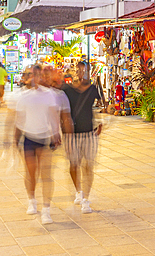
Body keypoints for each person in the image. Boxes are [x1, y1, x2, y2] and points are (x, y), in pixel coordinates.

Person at [13, 64, 71, 225]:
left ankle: (46, 209)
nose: (35, 79)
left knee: (46, 174)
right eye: (32, 75)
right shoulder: (23, 96)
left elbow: (53, 114)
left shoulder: (49, 95)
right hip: (29, 138)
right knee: (31, 173)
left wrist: (56, 133)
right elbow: (19, 119)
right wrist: (15, 139)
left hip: (45, 138)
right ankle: (31, 199)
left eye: (37, 75)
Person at [62, 61, 103, 213]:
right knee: (74, 164)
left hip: (89, 132)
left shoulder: (93, 89)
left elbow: (99, 106)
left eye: (85, 70)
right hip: (72, 134)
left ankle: (85, 198)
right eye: (79, 70)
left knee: (88, 165)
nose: (82, 73)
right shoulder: (67, 89)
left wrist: (100, 122)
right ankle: (78, 191)